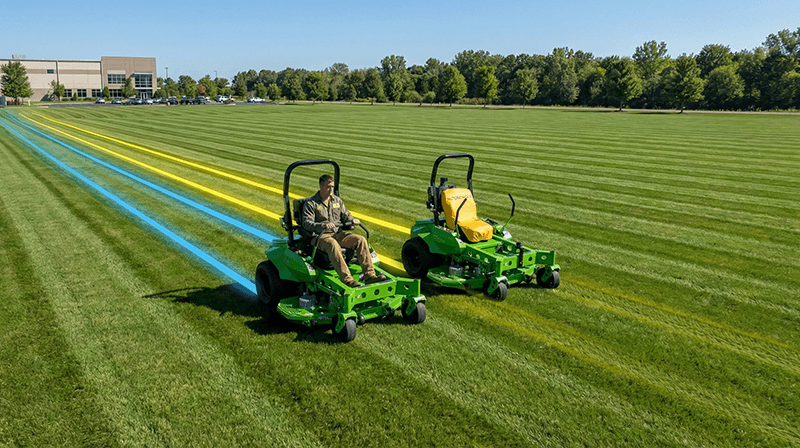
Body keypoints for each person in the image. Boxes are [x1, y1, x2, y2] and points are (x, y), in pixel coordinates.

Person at [301, 174, 387, 287]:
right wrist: (323, 225)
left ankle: (370, 276)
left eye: (332, 186)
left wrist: (352, 220)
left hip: (337, 233)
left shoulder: (337, 201)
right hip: (319, 236)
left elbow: (346, 215)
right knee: (333, 244)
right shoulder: (311, 203)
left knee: (360, 239)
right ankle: (347, 280)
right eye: (328, 186)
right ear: (321, 186)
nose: (331, 189)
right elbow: (307, 223)